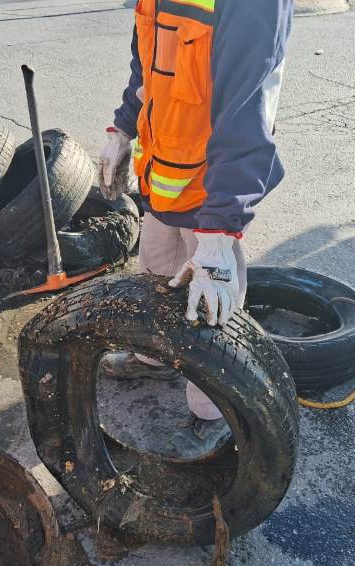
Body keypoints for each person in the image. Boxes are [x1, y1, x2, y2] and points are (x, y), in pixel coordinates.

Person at [98, 0, 293, 454]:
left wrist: (219, 238)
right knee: (155, 272)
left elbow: (247, 114)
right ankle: (154, 357)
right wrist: (122, 130)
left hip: (212, 192)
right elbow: (146, 62)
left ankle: (215, 408)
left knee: (208, 308)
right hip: (162, 180)